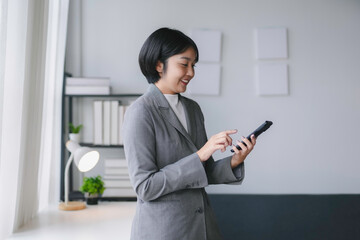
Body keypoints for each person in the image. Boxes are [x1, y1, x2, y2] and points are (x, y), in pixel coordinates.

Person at [123, 27, 256, 240]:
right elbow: (145, 187)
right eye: (184, 64)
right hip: (164, 232)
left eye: (193, 65)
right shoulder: (140, 112)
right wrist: (200, 154)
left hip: (202, 229)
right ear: (159, 64)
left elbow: (204, 171)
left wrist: (235, 160)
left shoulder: (192, 109)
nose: (191, 73)